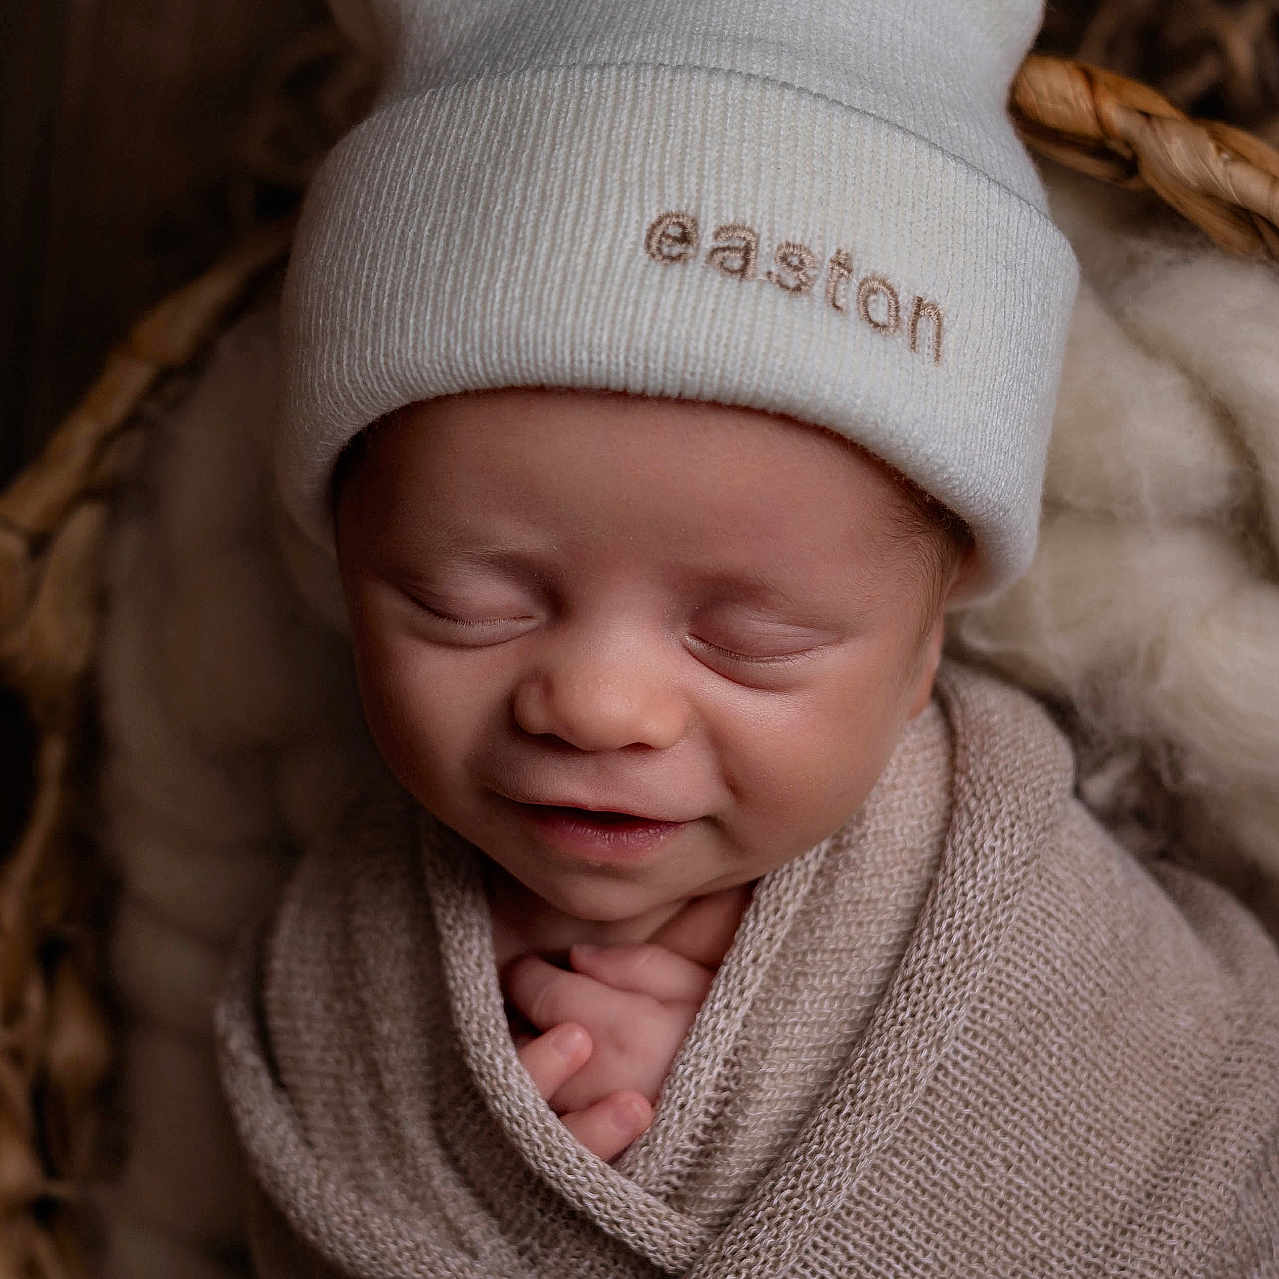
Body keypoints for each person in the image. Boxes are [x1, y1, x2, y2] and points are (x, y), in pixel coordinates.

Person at [215, 0, 1279, 1274]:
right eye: (466, 604)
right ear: (348, 561)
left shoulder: (1021, 907)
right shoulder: (336, 958)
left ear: (921, 654)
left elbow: (1201, 1150)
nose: (598, 703)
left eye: (749, 639)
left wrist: (744, 1099)